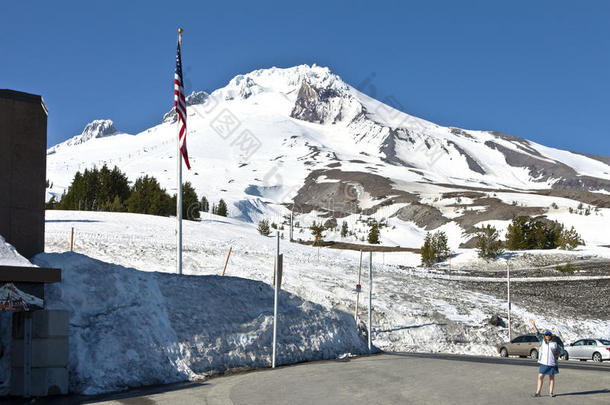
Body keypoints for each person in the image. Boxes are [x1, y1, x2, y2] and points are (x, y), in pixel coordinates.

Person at [529, 319, 565, 398]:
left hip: (552, 363)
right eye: (546, 335)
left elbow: (562, 351)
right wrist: (533, 325)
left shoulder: (554, 344)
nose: (547, 336)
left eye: (549, 335)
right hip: (544, 363)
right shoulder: (542, 342)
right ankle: (538, 392)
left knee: (551, 378)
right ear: (544, 336)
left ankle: (551, 393)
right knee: (540, 377)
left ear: (551, 336)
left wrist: (558, 355)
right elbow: (537, 334)